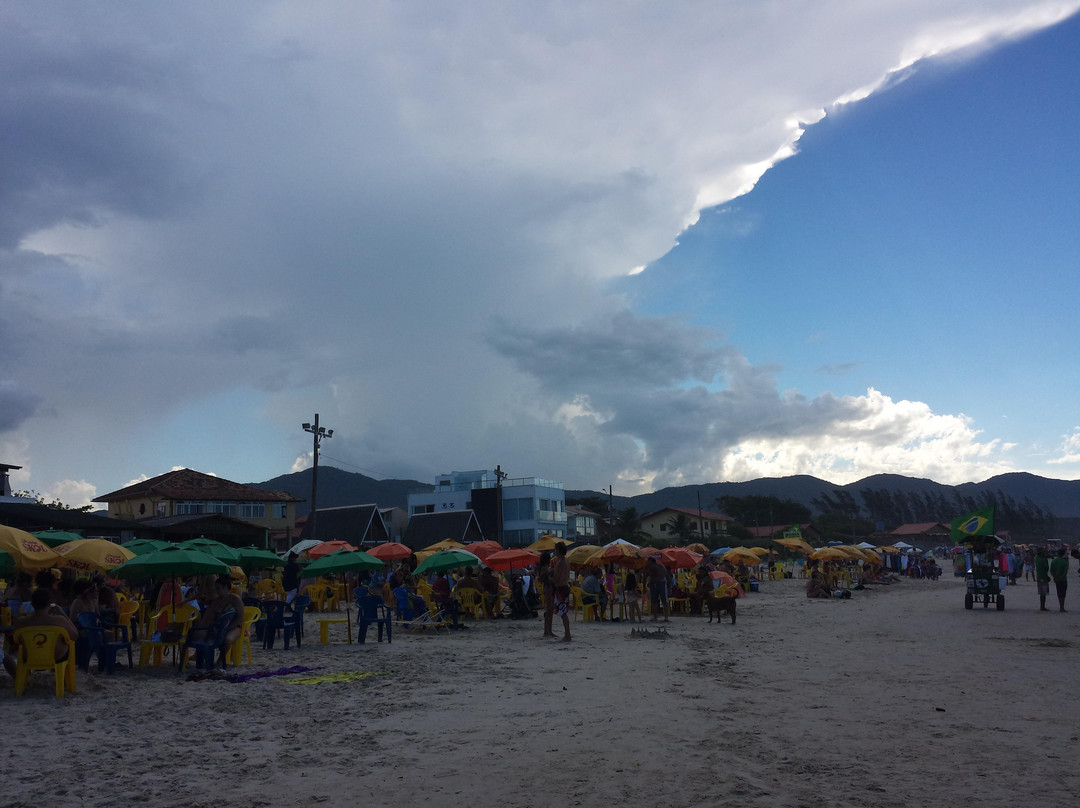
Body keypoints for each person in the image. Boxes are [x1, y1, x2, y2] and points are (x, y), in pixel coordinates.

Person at [2, 588, 79, 678]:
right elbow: (75, 636)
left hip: (30, 657)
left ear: (32, 604)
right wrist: (62, 613)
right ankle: (61, 676)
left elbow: (15, 642)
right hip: (56, 658)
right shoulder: (60, 620)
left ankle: (25, 678)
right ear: (49, 604)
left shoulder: (21, 622)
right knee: (66, 643)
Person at [186, 576, 245, 669]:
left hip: (234, 627)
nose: (216, 591)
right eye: (216, 588)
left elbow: (240, 618)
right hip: (218, 627)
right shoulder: (216, 601)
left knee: (227, 640)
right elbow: (209, 618)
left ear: (226, 588)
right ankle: (202, 659)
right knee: (200, 635)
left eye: (218, 588)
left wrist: (227, 629)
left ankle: (220, 661)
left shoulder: (235, 599)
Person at [551, 542, 571, 641]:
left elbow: (556, 578)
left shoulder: (560, 562)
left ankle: (567, 635)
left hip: (561, 588)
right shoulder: (565, 561)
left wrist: (547, 578)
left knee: (563, 612)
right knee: (563, 612)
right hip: (564, 587)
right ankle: (567, 634)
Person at [645, 556, 669, 622]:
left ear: (653, 563)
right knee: (653, 601)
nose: (648, 565)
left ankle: (666, 616)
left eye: (649, 563)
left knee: (664, 600)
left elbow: (667, 575)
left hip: (661, 583)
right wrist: (645, 586)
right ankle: (655, 616)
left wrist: (669, 587)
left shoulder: (661, 567)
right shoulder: (648, 568)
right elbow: (645, 576)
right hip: (653, 583)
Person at [538, 550, 555, 638]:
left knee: (550, 610)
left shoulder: (543, 567)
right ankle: (547, 631)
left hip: (548, 589)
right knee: (549, 610)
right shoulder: (545, 568)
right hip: (548, 589)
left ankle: (548, 631)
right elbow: (544, 579)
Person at [1049, 547, 1069, 613]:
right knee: (1063, 594)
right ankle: (1062, 607)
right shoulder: (1065, 562)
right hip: (1063, 580)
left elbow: (1051, 570)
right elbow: (1065, 572)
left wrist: (1055, 577)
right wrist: (1060, 578)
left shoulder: (1054, 561)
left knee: (1059, 593)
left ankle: (1061, 606)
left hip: (1056, 579)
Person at [1034, 546, 1051, 612]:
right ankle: (1042, 607)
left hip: (1039, 576)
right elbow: (1046, 568)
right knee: (1044, 593)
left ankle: (1042, 606)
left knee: (1041, 593)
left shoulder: (1036, 558)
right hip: (1043, 577)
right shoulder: (1043, 559)